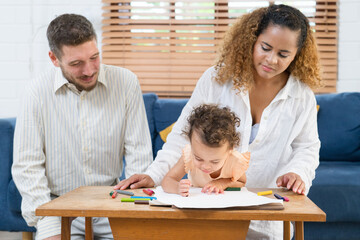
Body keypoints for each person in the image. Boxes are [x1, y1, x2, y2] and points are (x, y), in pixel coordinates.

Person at [116, 4, 321, 239]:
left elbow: (307, 147)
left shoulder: (301, 96)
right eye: (265, 48)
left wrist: (298, 173)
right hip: (209, 212)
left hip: (266, 217)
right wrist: (154, 174)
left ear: (297, 55)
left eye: (283, 54)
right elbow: (184, 136)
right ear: (252, 40)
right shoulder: (216, 79)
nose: (272, 60)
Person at [12, 14, 153, 240]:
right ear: (54, 58)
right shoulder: (36, 93)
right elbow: (27, 166)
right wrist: (46, 216)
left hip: (113, 202)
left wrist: (135, 208)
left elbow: (139, 155)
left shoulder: (126, 82)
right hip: (58, 208)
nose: (89, 71)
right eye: (76, 64)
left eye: (94, 57)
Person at [161, 104, 250, 197]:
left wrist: (222, 183)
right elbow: (167, 181)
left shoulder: (234, 160)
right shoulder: (189, 156)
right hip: (196, 205)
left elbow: (241, 182)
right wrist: (177, 188)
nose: (206, 166)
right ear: (191, 145)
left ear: (230, 150)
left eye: (215, 161)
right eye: (199, 159)